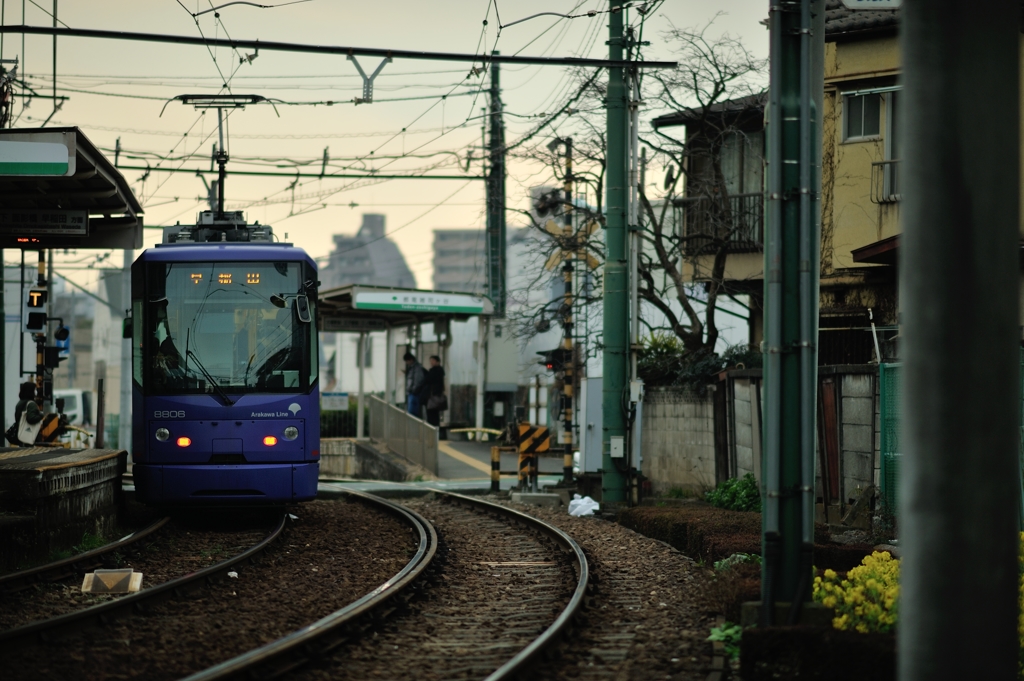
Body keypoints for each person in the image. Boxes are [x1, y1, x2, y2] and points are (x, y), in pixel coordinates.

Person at [423, 355, 446, 427]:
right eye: (430, 361)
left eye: (433, 361)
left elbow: (428, 380)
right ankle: (434, 429)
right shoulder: (436, 371)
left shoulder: (437, 371)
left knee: (432, 414)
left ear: (437, 361)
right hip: (433, 395)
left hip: (434, 396)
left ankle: (434, 429)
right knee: (433, 414)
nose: (431, 362)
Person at [404, 352, 427, 416]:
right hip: (412, 392)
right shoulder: (412, 368)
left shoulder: (417, 368)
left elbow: (418, 380)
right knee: (411, 412)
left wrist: (414, 390)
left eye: (407, 361)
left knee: (413, 412)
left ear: (411, 359)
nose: (407, 363)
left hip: (415, 393)